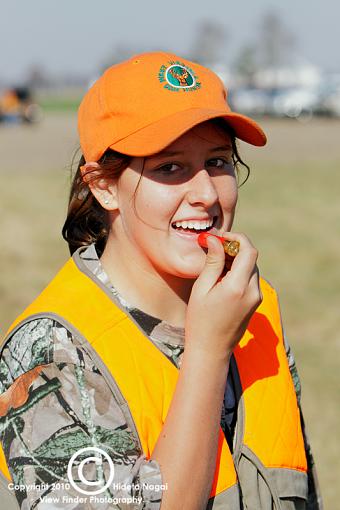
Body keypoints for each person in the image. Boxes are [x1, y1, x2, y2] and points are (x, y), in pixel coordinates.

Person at [0, 52, 322, 510]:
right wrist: (209, 351)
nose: (207, 194)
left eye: (218, 161)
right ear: (103, 186)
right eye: (169, 168)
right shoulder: (51, 355)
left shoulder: (254, 304)